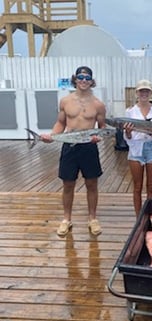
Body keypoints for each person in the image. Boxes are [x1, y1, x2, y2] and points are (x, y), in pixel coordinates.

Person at [41, 66, 106, 237]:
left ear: (92, 81)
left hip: (89, 147)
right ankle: (66, 219)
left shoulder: (98, 104)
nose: (84, 80)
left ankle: (92, 218)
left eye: (87, 78)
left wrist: (98, 137)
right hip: (69, 146)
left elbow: (102, 127)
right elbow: (60, 123)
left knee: (92, 184)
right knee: (68, 184)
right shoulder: (65, 101)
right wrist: (53, 136)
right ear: (75, 79)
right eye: (80, 77)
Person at [123, 79, 152, 217]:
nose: (144, 93)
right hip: (136, 148)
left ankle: (150, 216)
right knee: (137, 187)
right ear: (136, 93)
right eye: (141, 91)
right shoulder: (130, 111)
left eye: (146, 91)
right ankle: (138, 218)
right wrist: (128, 132)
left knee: (151, 187)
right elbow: (127, 137)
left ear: (151, 92)